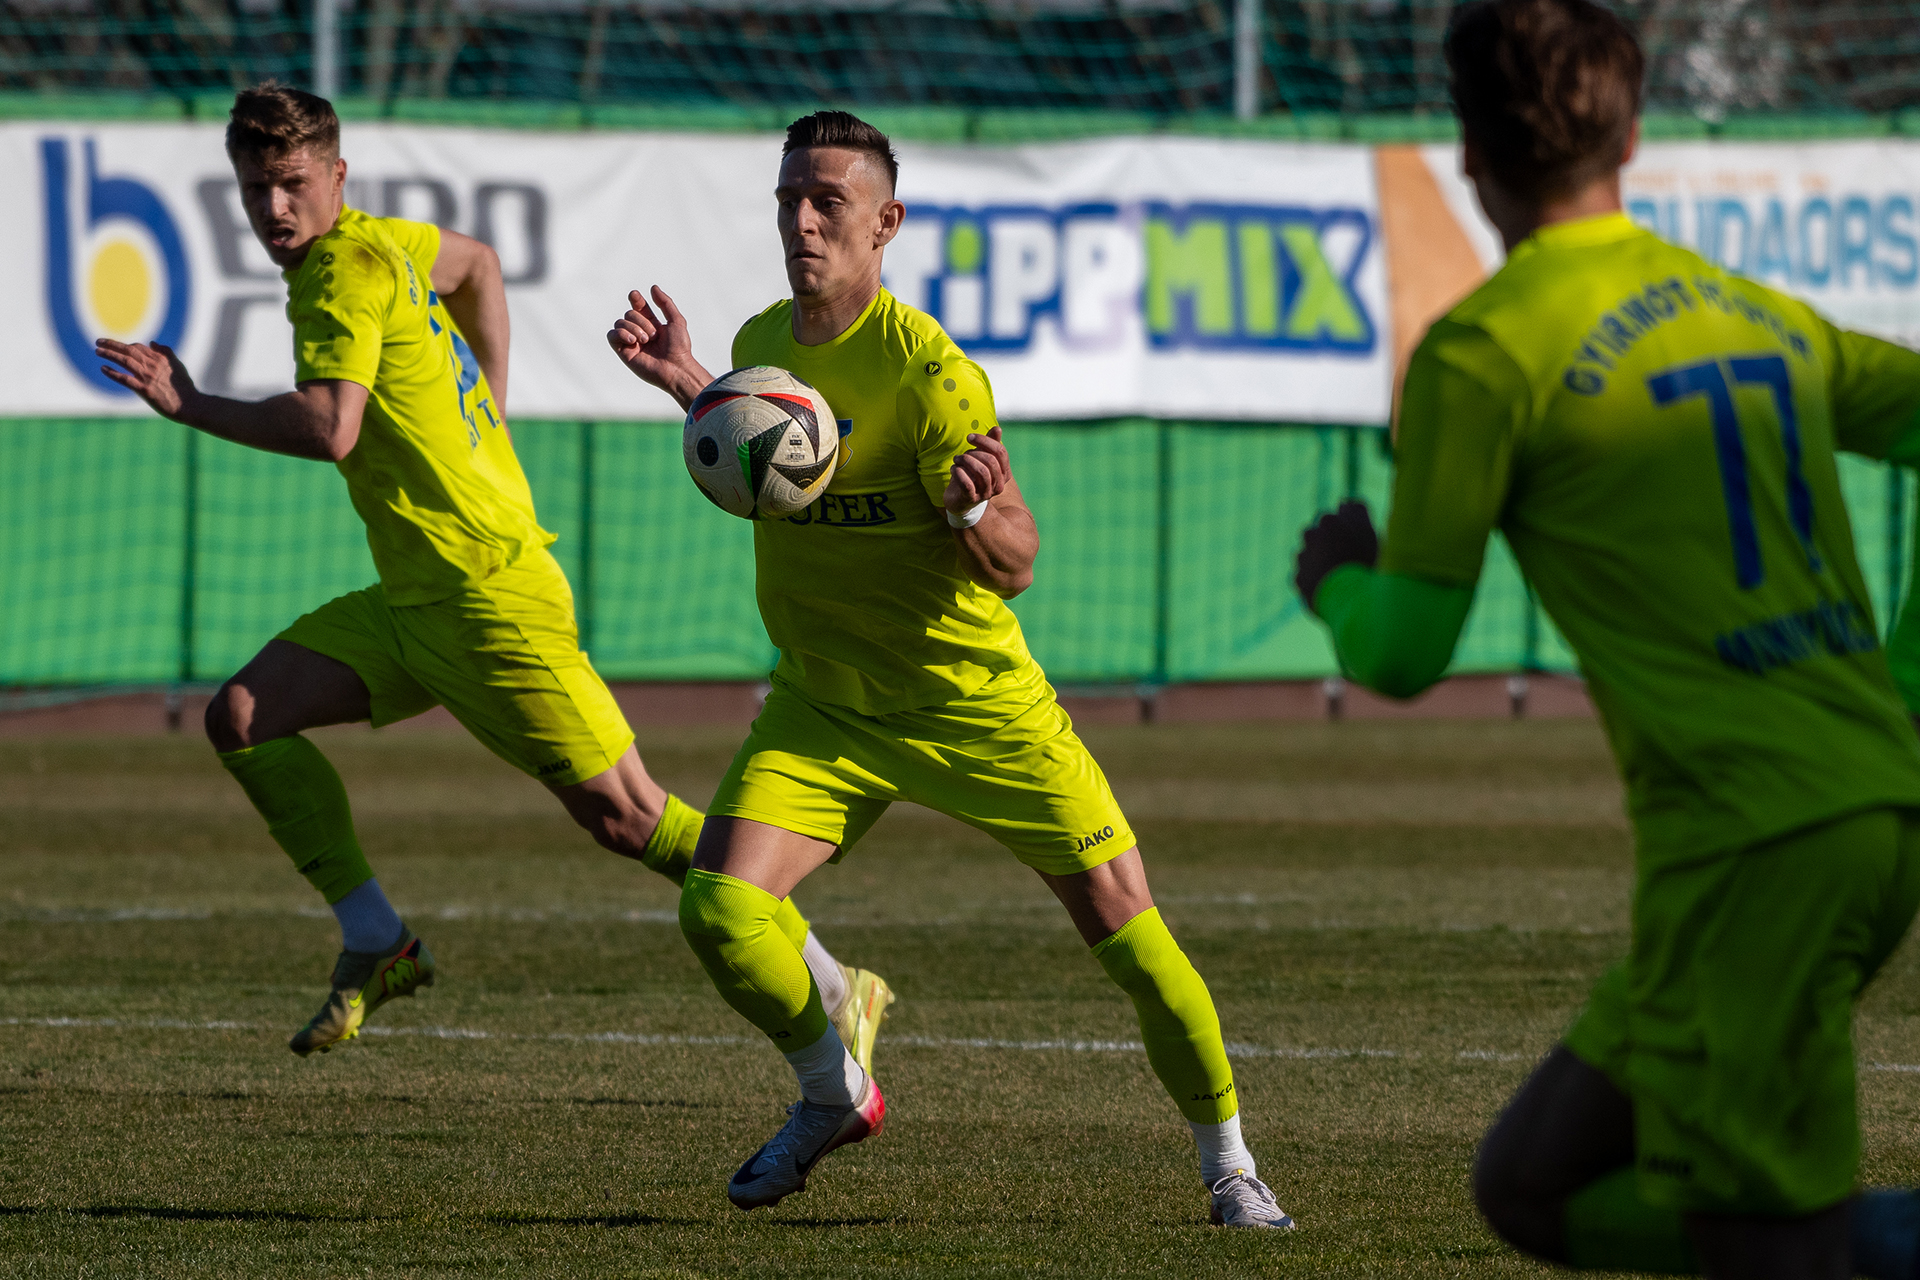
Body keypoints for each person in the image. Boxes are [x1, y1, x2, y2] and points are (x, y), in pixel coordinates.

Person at [1293, 1, 1920, 1275]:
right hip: (1837, 814)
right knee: (1531, 1181)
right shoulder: (1752, 310)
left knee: (1770, 1245)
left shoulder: (1481, 354)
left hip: (1757, 844)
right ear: (1631, 138)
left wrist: (1340, 580)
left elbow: (1404, 651)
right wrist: (1898, 683)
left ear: (1470, 155)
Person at [94, 83, 889, 1070]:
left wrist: (192, 402)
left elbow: (332, 425)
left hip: (489, 594)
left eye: (293, 183)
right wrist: (491, 404)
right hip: (415, 599)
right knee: (243, 715)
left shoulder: (339, 272)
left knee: (631, 817)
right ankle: (378, 938)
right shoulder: (383, 242)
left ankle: (835, 984)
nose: (276, 208)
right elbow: (477, 264)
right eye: (257, 188)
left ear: (337, 175)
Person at [605, 110, 1292, 1227]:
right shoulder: (763, 341)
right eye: (789, 199)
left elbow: (1016, 561)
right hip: (828, 705)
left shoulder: (932, 376)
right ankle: (833, 1091)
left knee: (1130, 932)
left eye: (828, 201)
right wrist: (693, 380)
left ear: (886, 224)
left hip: (973, 706)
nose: (802, 221)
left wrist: (973, 510)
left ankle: (1232, 1165)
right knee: (721, 909)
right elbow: (776, 448)